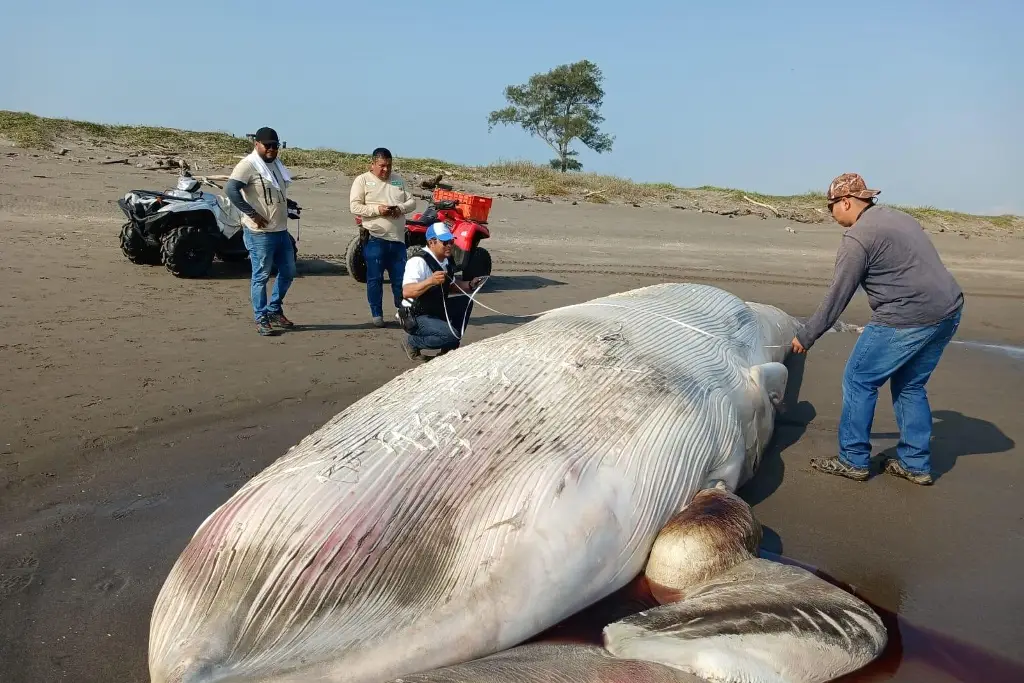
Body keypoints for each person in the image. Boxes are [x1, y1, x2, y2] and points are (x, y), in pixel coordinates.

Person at [791, 173, 964, 486]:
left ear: (846, 202)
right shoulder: (898, 218)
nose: (831, 215)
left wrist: (806, 335)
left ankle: (853, 459)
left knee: (859, 379)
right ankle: (915, 464)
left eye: (831, 207)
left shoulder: (858, 237)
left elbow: (837, 296)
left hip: (908, 314)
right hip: (949, 309)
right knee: (910, 385)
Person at [225, 126, 297, 337]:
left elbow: (275, 192)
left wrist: (288, 205)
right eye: (268, 146)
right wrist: (252, 213)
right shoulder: (248, 165)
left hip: (281, 230)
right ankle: (261, 317)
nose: (272, 150)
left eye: (276, 146)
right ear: (257, 144)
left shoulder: (275, 164)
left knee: (289, 271)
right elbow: (230, 189)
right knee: (261, 275)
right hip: (260, 233)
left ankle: (274, 309)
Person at [349, 147, 418, 327]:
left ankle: (403, 312)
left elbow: (412, 202)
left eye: (389, 165)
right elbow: (355, 207)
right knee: (375, 278)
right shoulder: (362, 180)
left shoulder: (398, 181)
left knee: (400, 280)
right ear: (372, 164)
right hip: (374, 238)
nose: (386, 170)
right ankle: (376, 314)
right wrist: (377, 210)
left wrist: (399, 208)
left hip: (397, 240)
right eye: (382, 166)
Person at [398, 222, 485, 361]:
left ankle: (449, 347)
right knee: (450, 335)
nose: (450, 245)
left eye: (451, 241)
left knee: (466, 301)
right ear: (431, 242)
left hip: (435, 308)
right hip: (416, 314)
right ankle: (411, 342)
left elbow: (450, 285)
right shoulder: (418, 262)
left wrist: (470, 284)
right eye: (445, 242)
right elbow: (407, 292)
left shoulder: (446, 260)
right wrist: (430, 281)